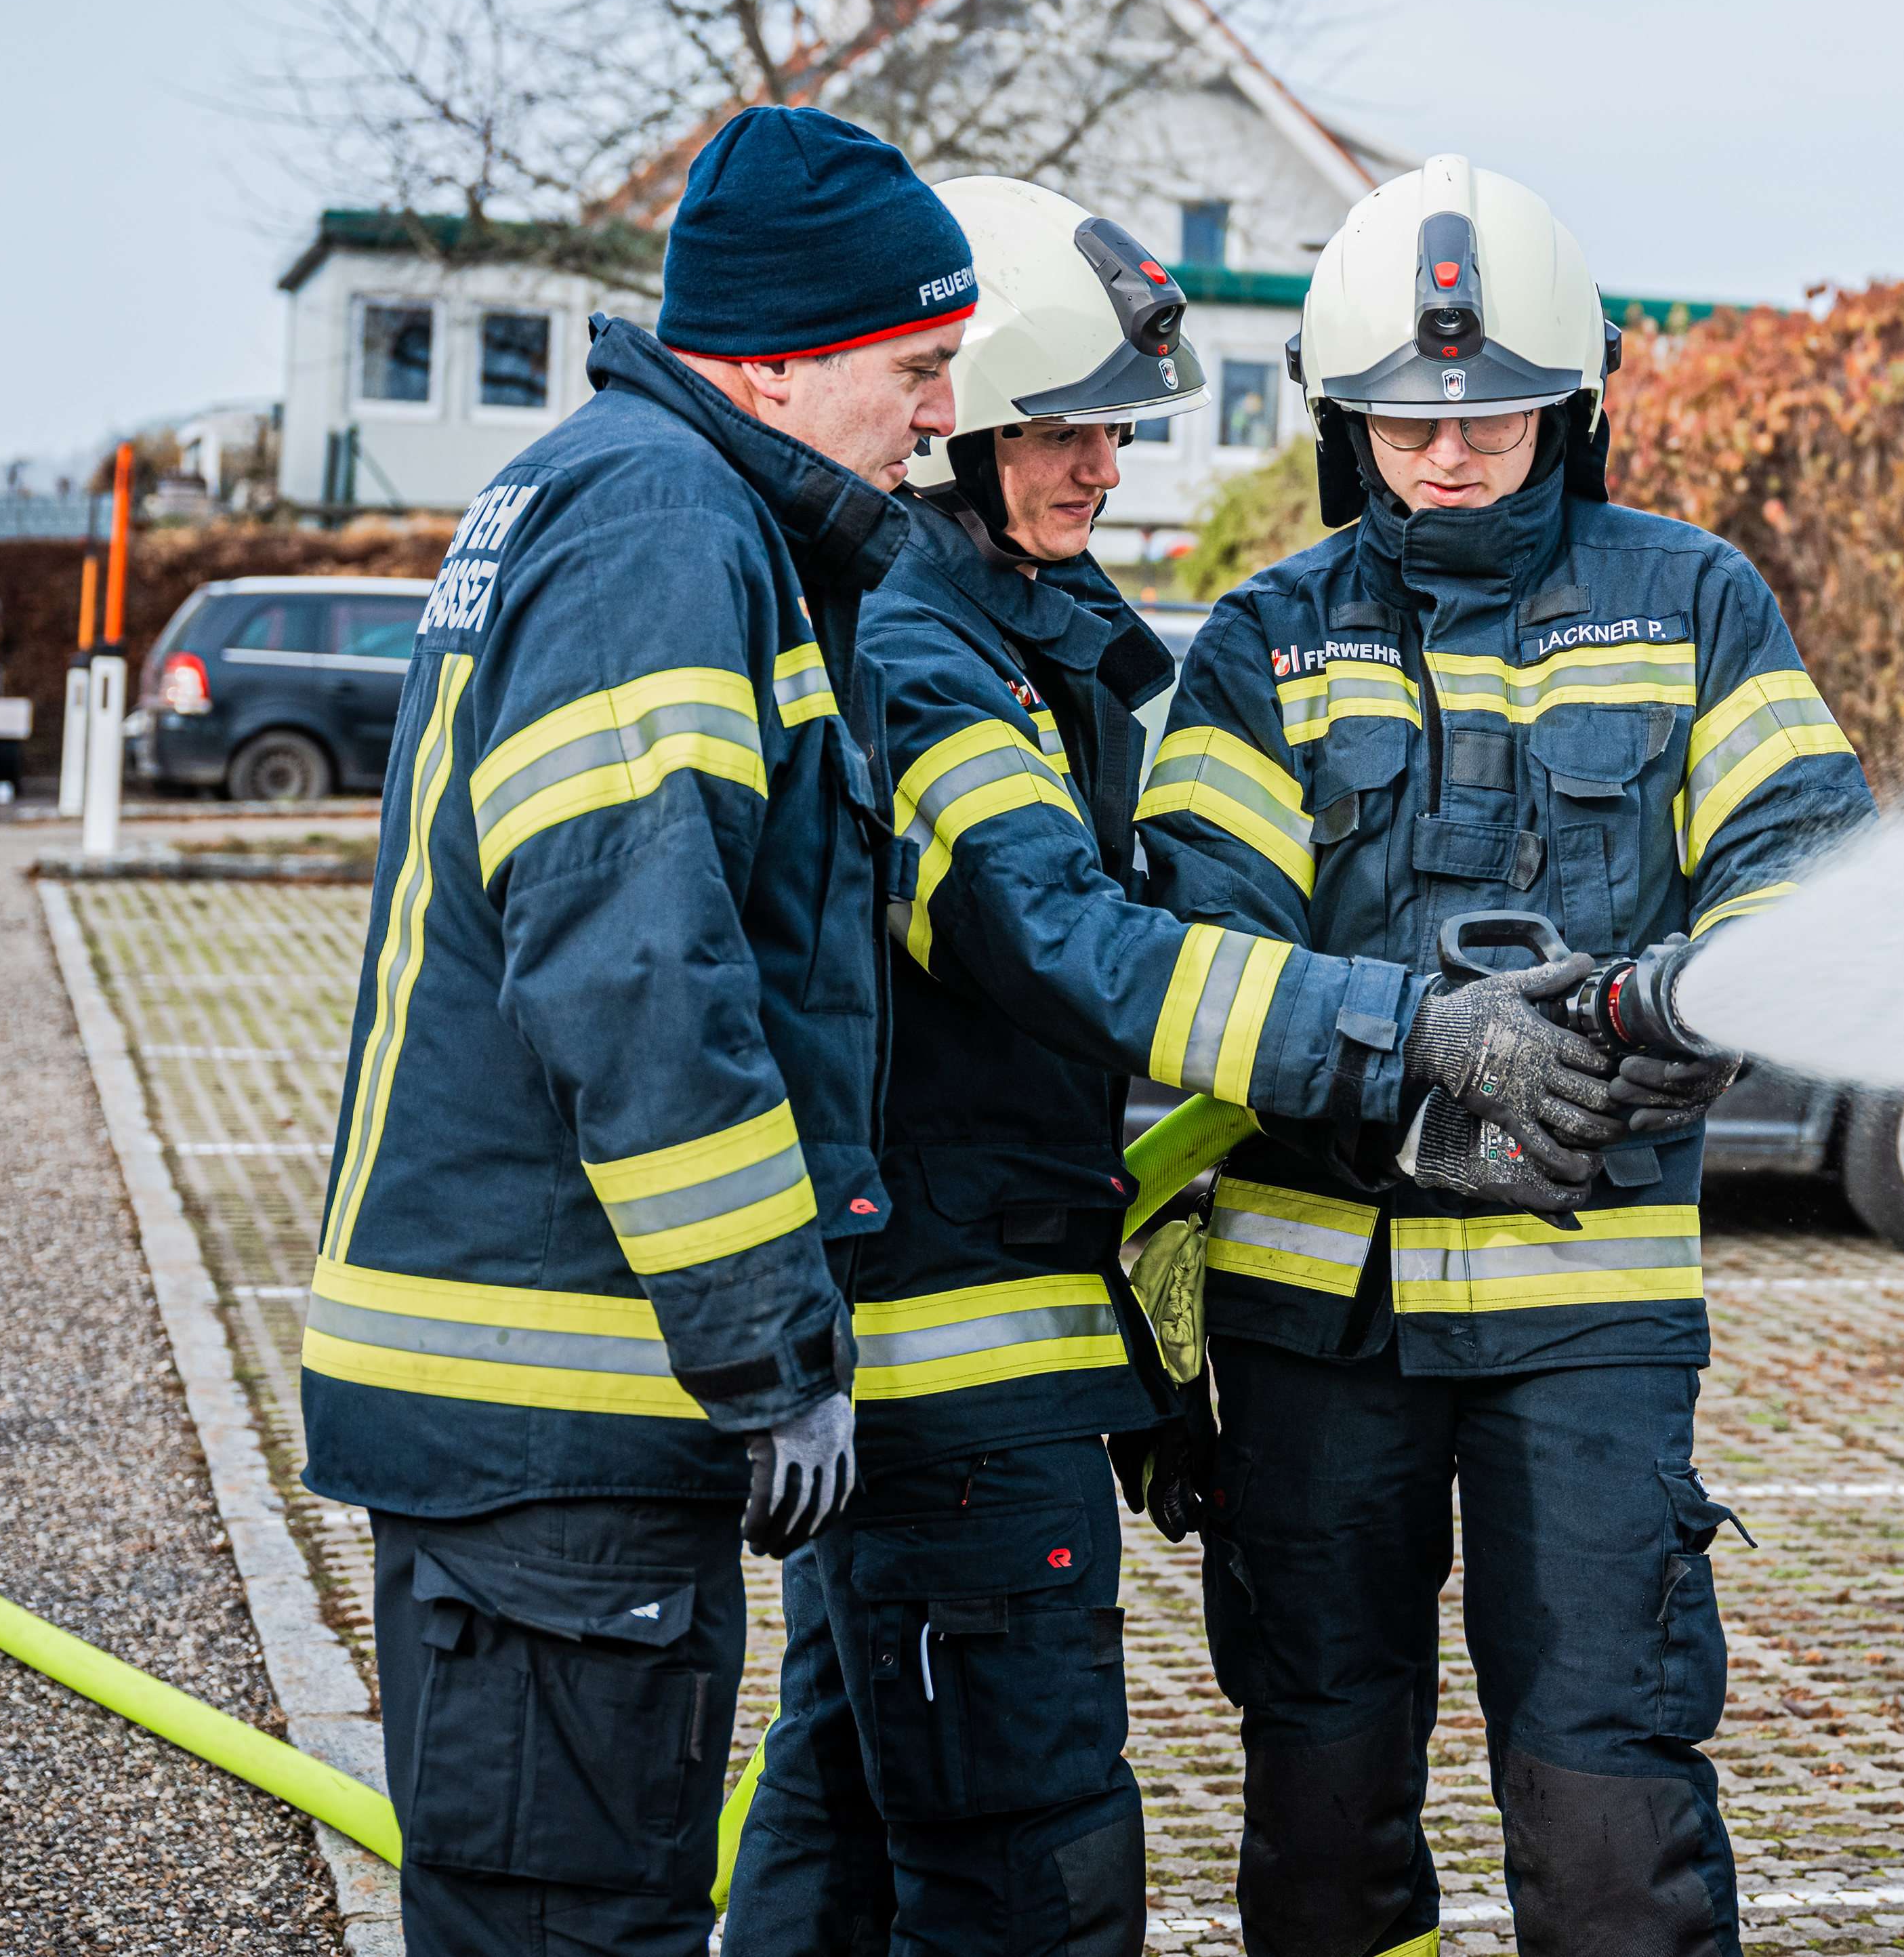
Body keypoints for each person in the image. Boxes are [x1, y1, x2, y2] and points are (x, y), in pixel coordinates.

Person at [722, 176, 1659, 1957]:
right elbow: (1066, 945)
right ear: (948, 435)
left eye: (1112, 427)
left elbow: (1000, 1082)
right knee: (1031, 1881)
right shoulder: (921, 661)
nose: (1102, 468)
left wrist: (1142, 1377)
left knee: (840, 1834)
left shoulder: (992, 640)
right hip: (964, 1417)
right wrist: (1407, 1034)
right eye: (1058, 428)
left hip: (941, 1382)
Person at [1138, 157, 1878, 1957]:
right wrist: (1417, 1068)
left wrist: (1690, 1013)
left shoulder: (1694, 603)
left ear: (1569, 402)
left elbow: (1811, 868)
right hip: (1319, 1329)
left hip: (1588, 1319)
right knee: (1322, 1819)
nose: (1450, 451)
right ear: (1344, 416)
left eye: (1491, 412)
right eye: (1404, 417)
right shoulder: (1262, 645)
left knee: (1615, 1803)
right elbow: (1205, 958)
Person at [297, 105, 968, 1957]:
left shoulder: (631, 498)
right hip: (556, 1431)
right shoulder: (666, 530)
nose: (938, 415)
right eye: (918, 369)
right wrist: (772, 1352)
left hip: (543, 1430)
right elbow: (641, 978)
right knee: (576, 1930)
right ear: (774, 356)